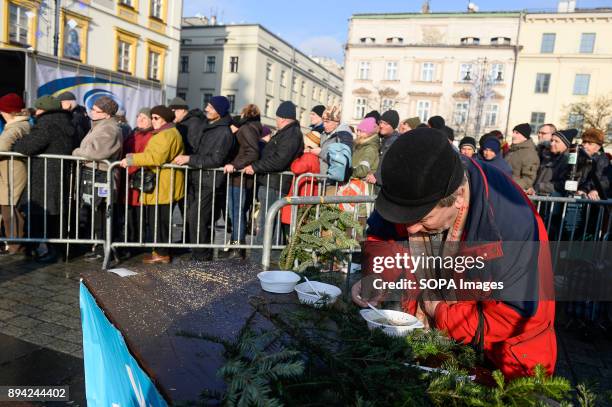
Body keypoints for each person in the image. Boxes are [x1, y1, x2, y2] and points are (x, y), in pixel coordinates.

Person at [352, 128, 556, 379]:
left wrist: (441, 313)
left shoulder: (513, 224)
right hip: (429, 341)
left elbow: (514, 315)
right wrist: (378, 276)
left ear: (458, 197)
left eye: (423, 219)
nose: (410, 229)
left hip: (501, 361)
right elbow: (382, 238)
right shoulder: (411, 184)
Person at [12, 95, 76, 262]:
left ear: (42, 109)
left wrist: (17, 143)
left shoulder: (47, 123)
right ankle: (57, 250)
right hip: (58, 172)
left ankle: (47, 250)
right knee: (55, 214)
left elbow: (27, 146)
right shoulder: (66, 122)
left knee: (43, 213)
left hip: (44, 174)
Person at [120, 105, 184, 264]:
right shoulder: (166, 133)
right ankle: (159, 251)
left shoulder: (166, 134)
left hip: (163, 186)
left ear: (165, 120)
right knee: (158, 220)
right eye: (153, 117)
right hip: (162, 184)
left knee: (159, 220)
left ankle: (161, 253)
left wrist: (130, 159)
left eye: (156, 118)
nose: (153, 121)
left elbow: (155, 157)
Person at [173, 96, 234, 261]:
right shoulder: (209, 126)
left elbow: (216, 160)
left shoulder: (223, 132)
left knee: (198, 219)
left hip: (210, 181)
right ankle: (198, 254)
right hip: (199, 178)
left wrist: (189, 159)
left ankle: (201, 256)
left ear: (219, 112)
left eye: (211, 107)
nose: (206, 109)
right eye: (207, 105)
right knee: (196, 219)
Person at [244, 101, 304, 244]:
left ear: (282, 118)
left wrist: (255, 167)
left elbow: (279, 160)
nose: (275, 120)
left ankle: (259, 258)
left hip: (274, 183)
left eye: (276, 117)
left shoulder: (291, 134)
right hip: (272, 182)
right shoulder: (287, 133)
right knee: (271, 222)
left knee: (266, 223)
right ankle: (273, 256)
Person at [72, 96, 123, 260]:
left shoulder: (110, 129)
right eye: (92, 108)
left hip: (102, 175)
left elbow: (93, 153)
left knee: (102, 213)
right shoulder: (98, 126)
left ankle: (104, 249)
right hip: (94, 173)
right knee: (95, 212)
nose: (91, 112)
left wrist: (76, 152)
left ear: (107, 114)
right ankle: (98, 246)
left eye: (96, 110)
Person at [223, 104, 262, 258]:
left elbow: (252, 152)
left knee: (237, 213)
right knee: (236, 213)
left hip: (240, 178)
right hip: (238, 177)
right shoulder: (250, 127)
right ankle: (235, 245)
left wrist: (235, 165)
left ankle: (238, 248)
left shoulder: (246, 128)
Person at [0, 93, 30, 255]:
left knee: (10, 209)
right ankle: (13, 244)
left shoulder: (16, 126)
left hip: (12, 172)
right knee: (9, 208)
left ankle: (15, 246)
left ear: (9, 111)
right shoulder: (20, 125)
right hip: (9, 171)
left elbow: (2, 146)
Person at [121, 108, 154, 244]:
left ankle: (137, 240)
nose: (140, 119)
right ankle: (129, 239)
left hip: (139, 177)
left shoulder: (151, 135)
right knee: (128, 211)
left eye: (144, 118)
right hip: (127, 177)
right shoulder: (134, 133)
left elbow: (146, 156)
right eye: (138, 116)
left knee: (138, 212)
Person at [280, 131, 321, 227]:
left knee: (293, 222)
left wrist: (295, 159)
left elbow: (296, 168)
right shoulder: (313, 157)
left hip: (301, 193)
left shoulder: (308, 156)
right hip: (304, 192)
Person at [528, 129, 575, 196]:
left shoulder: (567, 160)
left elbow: (563, 184)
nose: (552, 143)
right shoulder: (547, 157)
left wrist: (539, 187)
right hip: (538, 196)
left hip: (550, 200)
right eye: (551, 140)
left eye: (556, 141)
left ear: (565, 144)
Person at [317, 106, 353, 176]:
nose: (324, 125)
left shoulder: (344, 136)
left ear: (336, 122)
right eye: (323, 122)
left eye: (327, 122)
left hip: (334, 181)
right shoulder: (325, 134)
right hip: (322, 179)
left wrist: (320, 152)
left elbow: (342, 161)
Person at [576, 128, 610, 200]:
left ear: (598, 147)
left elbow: (603, 179)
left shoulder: (602, 159)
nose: (585, 146)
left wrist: (590, 189)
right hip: (579, 193)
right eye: (584, 142)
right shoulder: (578, 157)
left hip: (593, 198)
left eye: (590, 143)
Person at [370, 110, 400, 186]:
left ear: (393, 126)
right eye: (381, 122)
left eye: (386, 124)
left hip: (382, 185)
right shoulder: (385, 139)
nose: (381, 125)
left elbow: (386, 163)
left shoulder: (393, 142)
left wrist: (377, 178)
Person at [506, 123, 540, 190]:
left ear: (525, 136)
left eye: (517, 133)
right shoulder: (512, 150)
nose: (513, 135)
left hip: (513, 191)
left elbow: (528, 180)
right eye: (513, 132)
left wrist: (510, 186)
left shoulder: (530, 154)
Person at [351, 117, 380, 183]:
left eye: (361, 131)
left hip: (361, 187)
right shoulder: (360, 146)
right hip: (356, 184)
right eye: (357, 130)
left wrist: (349, 173)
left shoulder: (370, 148)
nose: (357, 134)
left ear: (369, 133)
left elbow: (363, 171)